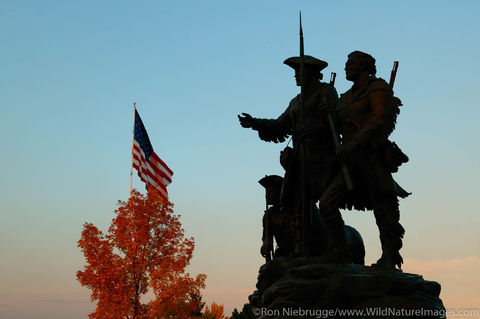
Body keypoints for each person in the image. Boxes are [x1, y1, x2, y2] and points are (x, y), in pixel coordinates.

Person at [238, 55, 338, 256]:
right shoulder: (295, 102)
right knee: (297, 202)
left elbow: (336, 119)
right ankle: (301, 248)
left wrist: (314, 128)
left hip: (322, 158)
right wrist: (255, 122)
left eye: (299, 72)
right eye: (294, 73)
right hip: (300, 160)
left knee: (328, 204)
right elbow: (279, 124)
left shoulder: (326, 91)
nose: (295, 77)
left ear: (311, 73)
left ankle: (338, 247)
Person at [319, 51, 410, 269]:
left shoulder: (378, 88)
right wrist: (327, 114)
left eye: (350, 64)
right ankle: (341, 251)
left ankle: (389, 255)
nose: (346, 68)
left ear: (363, 66)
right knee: (327, 203)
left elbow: (381, 120)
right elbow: (338, 123)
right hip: (349, 160)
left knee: (383, 207)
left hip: (371, 156)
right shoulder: (346, 97)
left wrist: (356, 141)